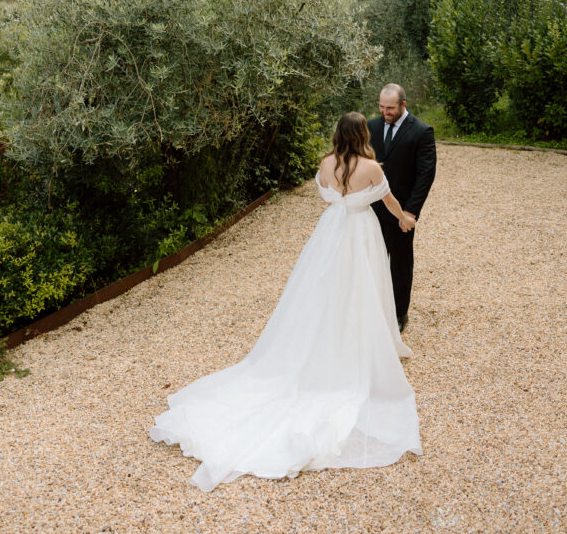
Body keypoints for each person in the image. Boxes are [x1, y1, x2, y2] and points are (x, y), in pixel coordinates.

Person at [149, 111, 422, 492]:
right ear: (362, 134)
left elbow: (328, 195)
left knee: (322, 291)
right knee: (363, 287)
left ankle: (325, 339)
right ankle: (360, 343)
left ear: (337, 134)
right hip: (360, 231)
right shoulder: (372, 167)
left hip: (330, 233)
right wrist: (406, 220)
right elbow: (389, 201)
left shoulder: (325, 164)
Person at [368, 84, 437, 332]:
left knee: (400, 264)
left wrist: (410, 211)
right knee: (372, 261)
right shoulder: (371, 126)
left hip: (401, 214)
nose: (385, 112)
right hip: (371, 211)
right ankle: (372, 310)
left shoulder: (421, 131)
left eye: (391, 108)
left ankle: (399, 315)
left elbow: (426, 175)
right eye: (382, 107)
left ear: (403, 105)